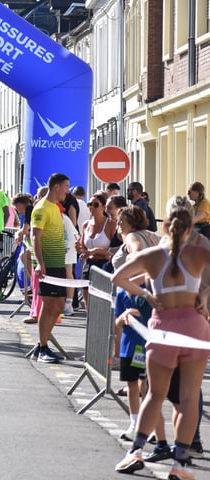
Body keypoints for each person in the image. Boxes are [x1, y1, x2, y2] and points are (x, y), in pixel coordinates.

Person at [112, 198, 210, 479]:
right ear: (190, 228)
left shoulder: (153, 255)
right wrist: (204, 295)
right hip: (193, 327)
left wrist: (146, 294)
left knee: (154, 394)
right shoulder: (199, 252)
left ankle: (136, 451)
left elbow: (118, 278)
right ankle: (179, 465)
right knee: (189, 398)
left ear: (165, 226)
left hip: (163, 326)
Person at [111, 206, 160, 443]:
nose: (118, 227)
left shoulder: (133, 238)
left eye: (119, 223)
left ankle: (140, 425)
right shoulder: (154, 236)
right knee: (147, 379)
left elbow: (141, 256)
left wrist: (132, 282)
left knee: (138, 379)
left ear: (128, 223)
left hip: (138, 299)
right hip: (152, 300)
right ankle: (149, 429)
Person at [30, 172, 70, 364]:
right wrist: (40, 263)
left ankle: (42, 345)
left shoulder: (55, 207)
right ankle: (43, 347)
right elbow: (35, 236)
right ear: (56, 187)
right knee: (48, 304)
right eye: (66, 187)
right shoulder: (41, 208)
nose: (67, 191)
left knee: (59, 304)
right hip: (48, 264)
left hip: (58, 263)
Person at [76, 192, 117, 308]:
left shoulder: (110, 224)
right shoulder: (86, 224)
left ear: (103, 207)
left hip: (104, 265)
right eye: (89, 204)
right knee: (87, 301)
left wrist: (95, 251)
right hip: (89, 265)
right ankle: (89, 319)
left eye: (95, 205)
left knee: (103, 302)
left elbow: (115, 249)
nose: (91, 208)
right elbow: (83, 248)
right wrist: (79, 248)